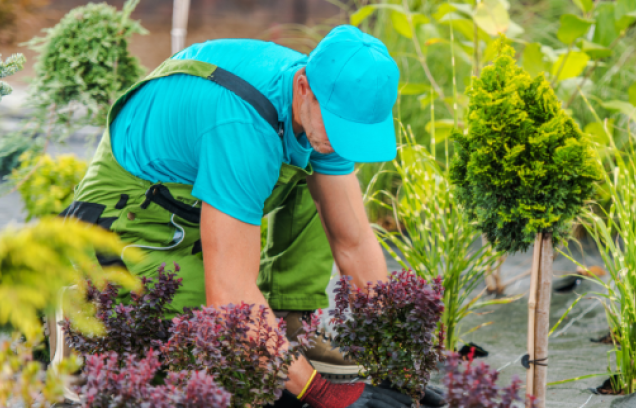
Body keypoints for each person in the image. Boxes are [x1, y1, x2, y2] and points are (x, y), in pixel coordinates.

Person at [55, 25, 440, 408]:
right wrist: (324, 395)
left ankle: (289, 324)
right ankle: (75, 306)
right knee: (198, 346)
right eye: (339, 127)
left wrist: (396, 367)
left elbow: (353, 242)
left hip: (196, 201)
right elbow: (229, 299)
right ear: (303, 87)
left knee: (323, 183)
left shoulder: (327, 105)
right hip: (128, 216)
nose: (343, 141)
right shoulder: (242, 124)